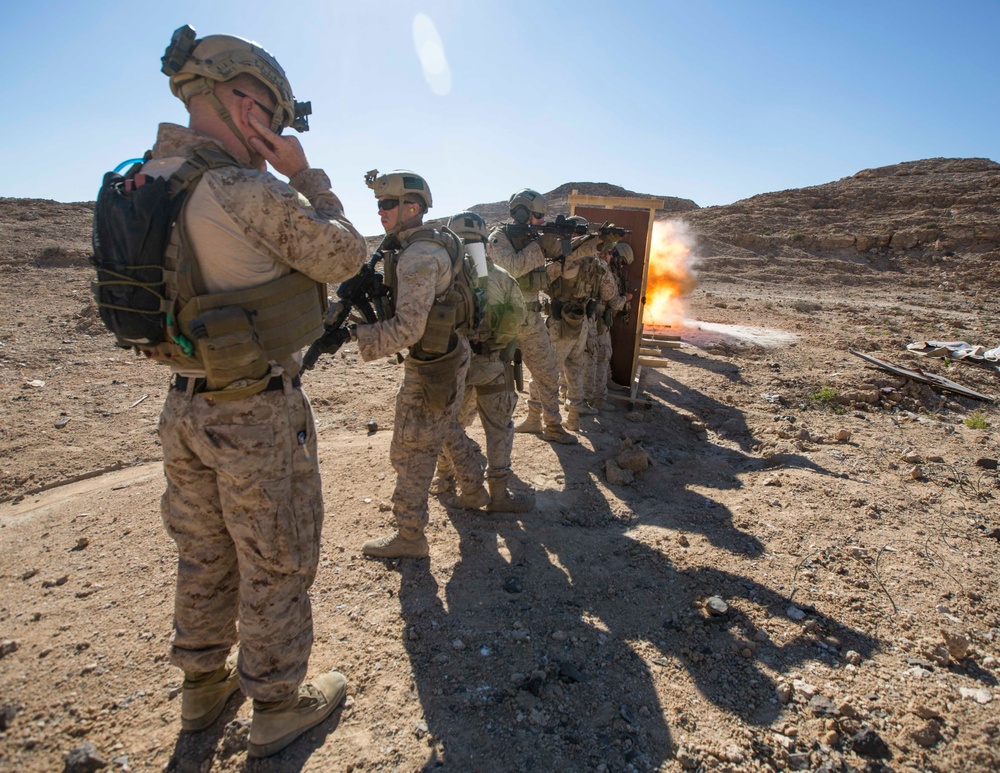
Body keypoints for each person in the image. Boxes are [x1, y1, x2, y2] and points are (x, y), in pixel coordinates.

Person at [147, 27, 367, 758]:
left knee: (204, 552)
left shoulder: (147, 178)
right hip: (253, 411)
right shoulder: (241, 188)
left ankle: (203, 686)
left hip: (185, 403)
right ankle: (276, 703)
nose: (273, 127)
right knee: (276, 558)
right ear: (243, 103)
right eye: (269, 111)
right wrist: (309, 177)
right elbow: (344, 252)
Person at [347, 170, 472, 559]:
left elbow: (407, 330)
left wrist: (358, 336)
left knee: (411, 450)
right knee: (441, 430)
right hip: (448, 353)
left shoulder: (418, 256)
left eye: (388, 204)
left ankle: (410, 535)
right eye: (379, 204)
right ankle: (476, 485)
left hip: (433, 363)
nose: (381, 212)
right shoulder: (427, 241)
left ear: (412, 207)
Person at [430, 211, 535, 513]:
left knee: (451, 425)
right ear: (485, 243)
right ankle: (499, 494)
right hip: (492, 366)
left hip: (452, 368)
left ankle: (445, 481)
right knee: (499, 428)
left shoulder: (440, 278)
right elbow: (519, 321)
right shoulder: (502, 278)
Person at [487, 189, 577, 445]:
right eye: (537, 216)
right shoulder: (498, 239)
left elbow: (538, 278)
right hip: (504, 320)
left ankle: (549, 424)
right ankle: (494, 437)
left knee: (547, 371)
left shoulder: (530, 238)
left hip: (532, 318)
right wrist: (539, 245)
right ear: (522, 213)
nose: (540, 221)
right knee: (496, 381)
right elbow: (512, 268)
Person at [542, 217, 602, 430]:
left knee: (549, 369)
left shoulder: (565, 259)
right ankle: (574, 416)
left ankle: (549, 421)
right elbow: (608, 291)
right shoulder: (596, 261)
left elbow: (544, 280)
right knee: (576, 368)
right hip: (582, 319)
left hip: (561, 321)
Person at [586, 241, 633, 412]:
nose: (614, 259)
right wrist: (625, 300)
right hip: (596, 319)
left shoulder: (589, 264)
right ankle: (597, 397)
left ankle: (596, 389)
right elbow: (612, 300)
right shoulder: (603, 269)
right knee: (599, 355)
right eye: (611, 254)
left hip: (590, 318)